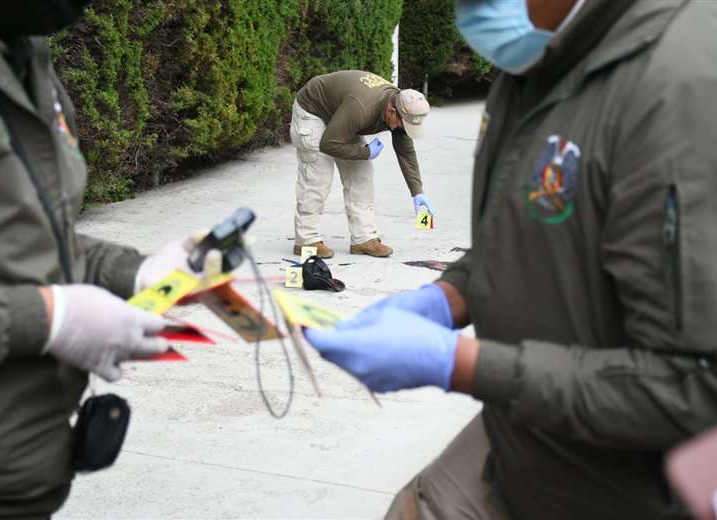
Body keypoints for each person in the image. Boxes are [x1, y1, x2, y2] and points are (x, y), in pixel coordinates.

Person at [305, 0, 717, 518]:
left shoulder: (681, 86)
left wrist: (461, 364)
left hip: (630, 480)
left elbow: (694, 387)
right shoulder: (537, 53)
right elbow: (529, 225)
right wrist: (445, 298)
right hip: (528, 434)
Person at [0, 2, 209, 518]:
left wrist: (134, 271)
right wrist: (47, 318)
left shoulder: (22, 57)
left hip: (19, 477)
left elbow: (26, 237)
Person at [290, 70, 434, 258]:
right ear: (392, 111)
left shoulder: (401, 105)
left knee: (362, 175)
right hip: (313, 110)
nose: (402, 129)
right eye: (402, 124)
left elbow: (406, 152)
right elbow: (329, 144)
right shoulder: (362, 108)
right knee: (318, 175)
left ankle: (363, 239)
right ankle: (306, 240)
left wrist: (417, 192)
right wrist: (365, 152)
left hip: (342, 115)